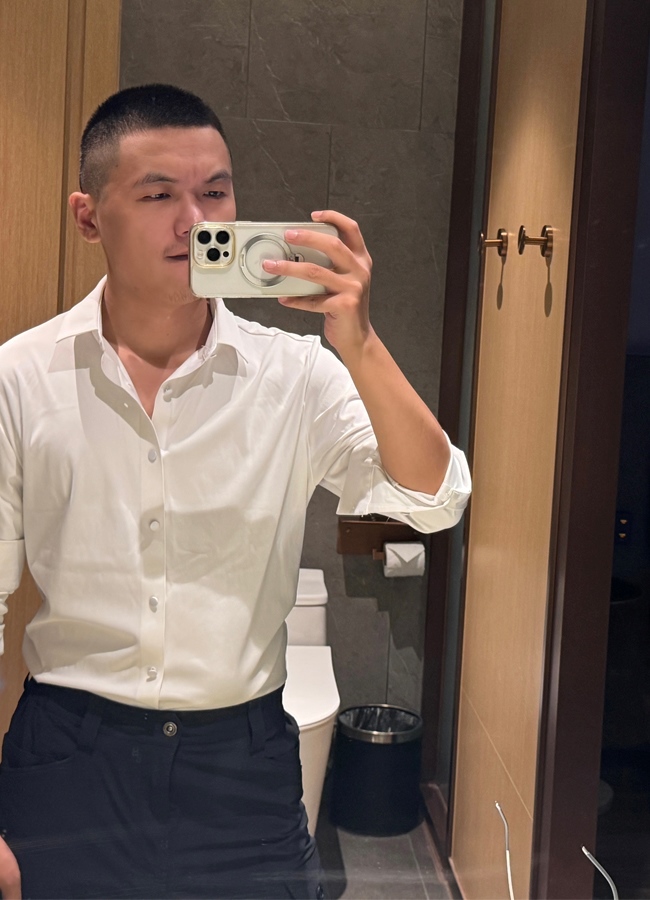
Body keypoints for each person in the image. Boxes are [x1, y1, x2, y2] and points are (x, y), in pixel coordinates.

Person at [0, 84, 471, 899]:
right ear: (89, 216)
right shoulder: (19, 377)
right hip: (69, 758)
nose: (195, 220)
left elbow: (435, 499)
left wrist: (359, 342)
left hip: (242, 766)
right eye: (158, 196)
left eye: (215, 193)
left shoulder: (296, 375)